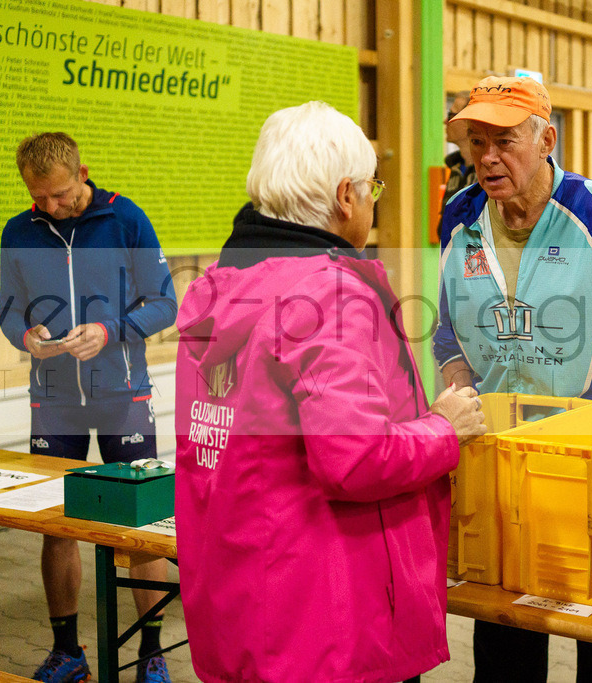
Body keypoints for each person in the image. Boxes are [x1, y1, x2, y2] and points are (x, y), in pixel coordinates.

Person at [173, 101, 487, 683]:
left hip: (244, 600)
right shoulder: (328, 297)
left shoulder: (220, 290)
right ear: (347, 196)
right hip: (327, 620)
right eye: (373, 188)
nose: (373, 201)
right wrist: (443, 428)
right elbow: (357, 459)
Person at [433, 76, 592, 682]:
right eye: (477, 142)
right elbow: (449, 337)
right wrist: (462, 404)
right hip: (499, 457)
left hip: (591, 455)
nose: (487, 158)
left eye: (505, 141)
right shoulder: (460, 216)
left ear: (547, 140)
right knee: (504, 634)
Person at [0, 132, 178, 683]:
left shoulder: (126, 219)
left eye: (58, 194)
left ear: (81, 174)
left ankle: (151, 653)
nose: (49, 206)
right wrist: (25, 336)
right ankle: (67, 653)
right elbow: (9, 310)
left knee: (140, 525)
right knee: (57, 526)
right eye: (38, 196)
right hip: (55, 403)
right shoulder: (19, 231)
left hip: (125, 396)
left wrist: (109, 330)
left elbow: (165, 303)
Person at [443, 90, 477, 207]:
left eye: (451, 115)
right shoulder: (455, 166)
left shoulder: (488, 169)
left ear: (469, 121)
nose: (445, 122)